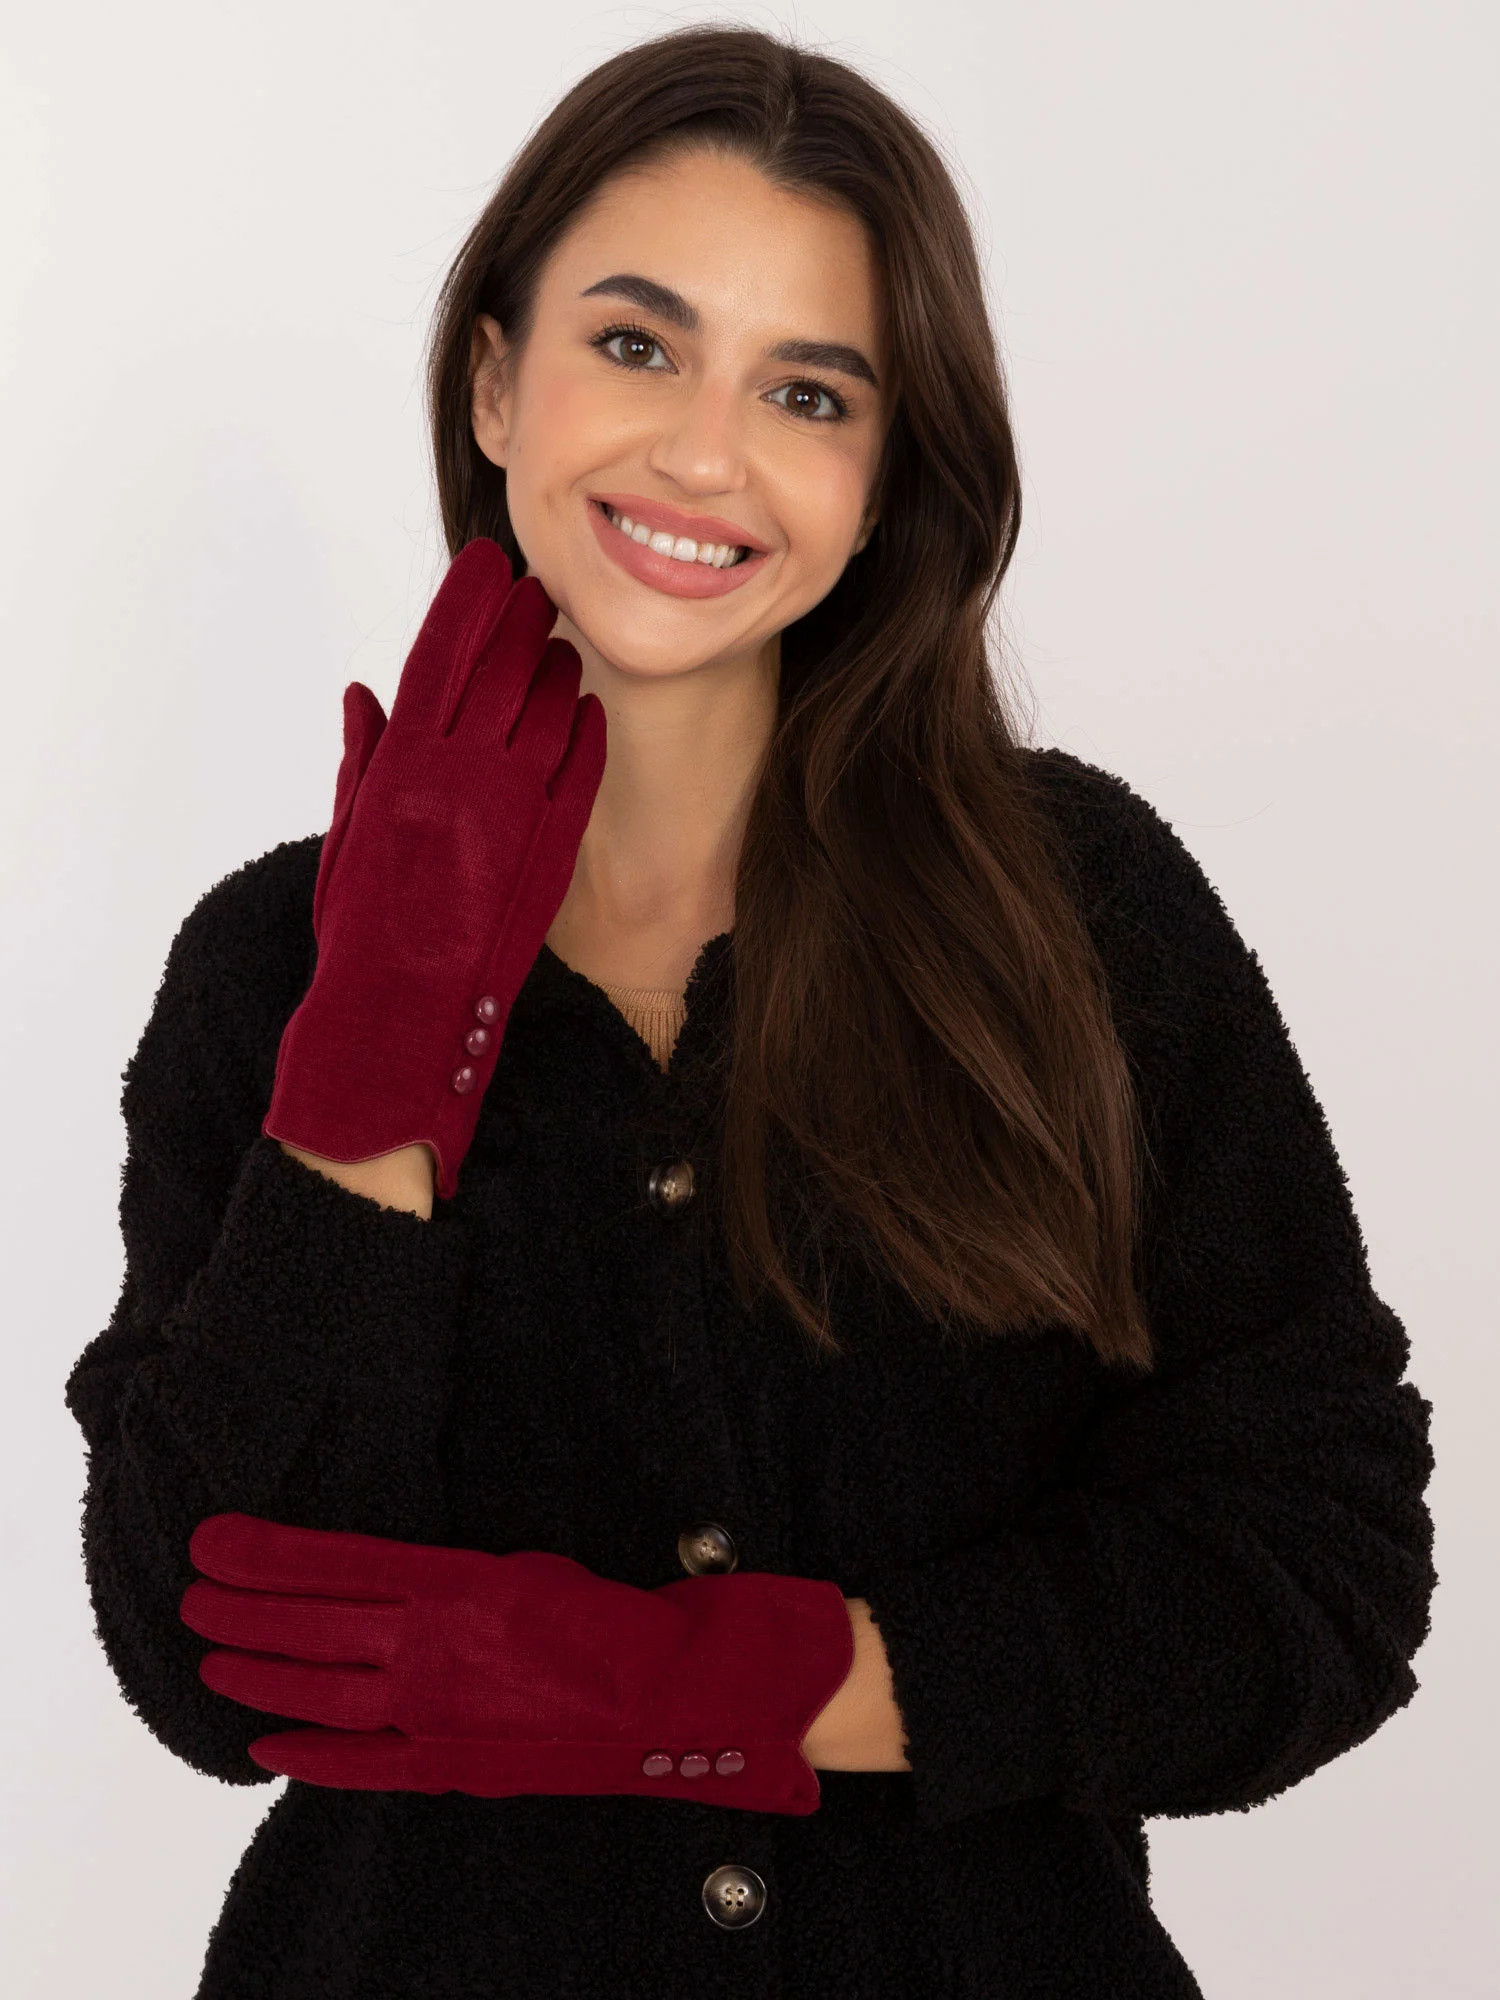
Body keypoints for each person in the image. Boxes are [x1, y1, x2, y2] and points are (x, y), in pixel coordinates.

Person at [64, 24, 1437, 1999]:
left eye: (807, 391)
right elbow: (206, 1655)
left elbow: (1320, 1562)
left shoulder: (1075, 911)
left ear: (883, 482)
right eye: (636, 344)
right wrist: (384, 1045)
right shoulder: (267, 965)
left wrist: (712, 1693)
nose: (704, 454)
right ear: (493, 382)